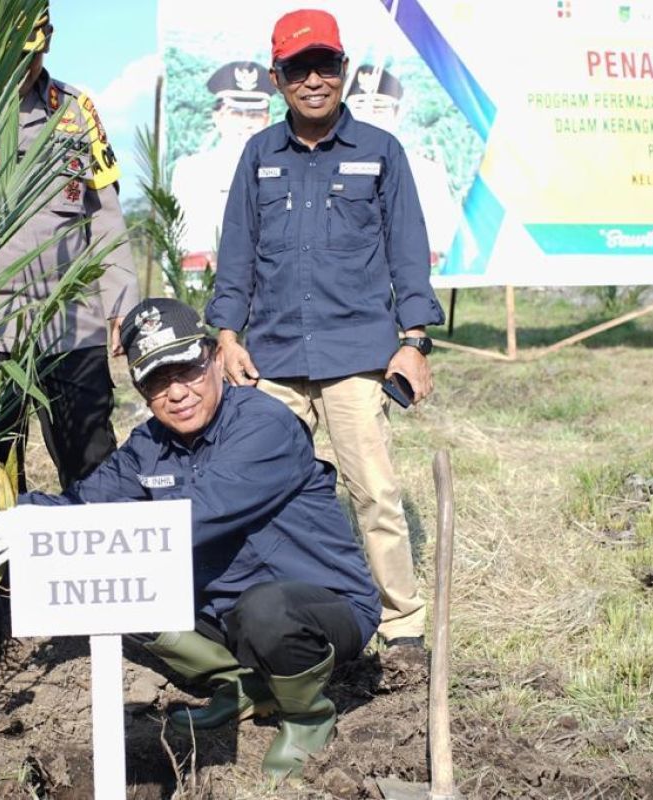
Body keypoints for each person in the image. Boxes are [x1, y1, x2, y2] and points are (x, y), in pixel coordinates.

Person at [0, 298, 382, 779]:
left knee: (265, 610)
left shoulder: (264, 425)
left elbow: (197, 514)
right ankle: (245, 685)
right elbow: (85, 505)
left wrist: (62, 528)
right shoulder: (149, 444)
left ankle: (308, 717)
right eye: (157, 381)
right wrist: (16, 516)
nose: (177, 392)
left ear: (213, 359)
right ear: (142, 390)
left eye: (186, 369)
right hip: (223, 613)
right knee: (111, 584)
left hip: (322, 607)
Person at [206, 10, 445, 650]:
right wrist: (226, 337)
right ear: (279, 78)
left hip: (356, 357)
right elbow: (237, 255)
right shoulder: (258, 156)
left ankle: (401, 625)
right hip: (272, 362)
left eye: (326, 66)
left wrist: (415, 342)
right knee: (259, 494)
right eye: (297, 69)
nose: (314, 80)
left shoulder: (379, 152)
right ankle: (264, 614)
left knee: (374, 494)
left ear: (343, 70)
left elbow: (406, 250)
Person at [0, 3, 139, 492]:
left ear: (47, 40)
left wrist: (121, 307)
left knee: (93, 464)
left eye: (33, 55)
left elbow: (104, 216)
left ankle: (96, 561)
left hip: (70, 327)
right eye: (10, 56)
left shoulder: (75, 110)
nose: (23, 69)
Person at [346, 63, 460, 269]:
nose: (368, 117)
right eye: (359, 107)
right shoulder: (321, 169)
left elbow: (441, 243)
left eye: (379, 108)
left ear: (397, 114)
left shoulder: (426, 173)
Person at [170, 61, 275, 269]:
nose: (246, 123)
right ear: (217, 117)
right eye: (236, 113)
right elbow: (184, 250)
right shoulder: (192, 172)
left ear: (267, 120)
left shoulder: (286, 172)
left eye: (254, 114)